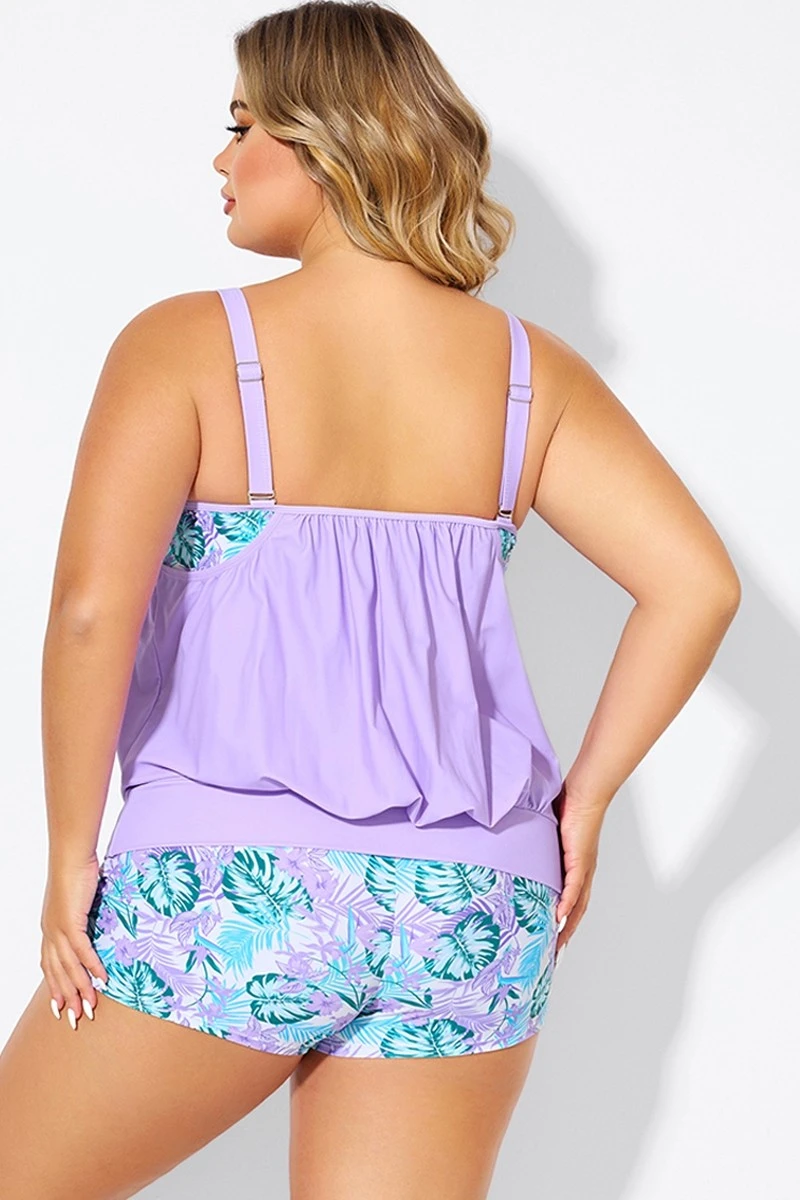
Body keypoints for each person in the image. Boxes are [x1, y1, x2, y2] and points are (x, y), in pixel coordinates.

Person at [0, 2, 741, 1196]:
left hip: (233, 885)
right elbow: (694, 585)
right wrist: (584, 801)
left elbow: (92, 611)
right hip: (474, 907)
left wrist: (68, 856)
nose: (221, 158)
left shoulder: (185, 343)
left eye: (242, 126)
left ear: (324, 140)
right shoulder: (527, 372)